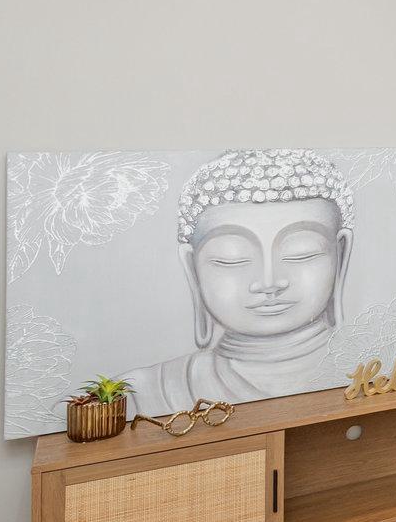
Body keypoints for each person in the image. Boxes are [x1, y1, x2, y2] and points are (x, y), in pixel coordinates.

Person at [121, 149, 355, 413]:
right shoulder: (141, 393)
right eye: (230, 259)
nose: (269, 282)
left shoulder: (371, 369)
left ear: (341, 253)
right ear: (191, 266)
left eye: (302, 253)